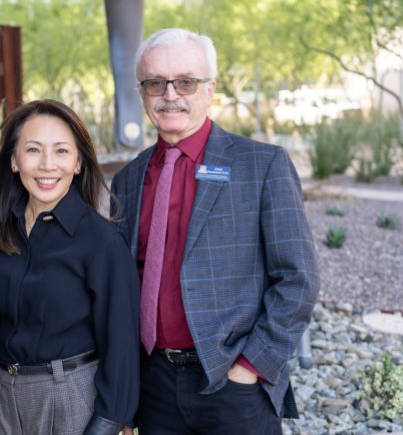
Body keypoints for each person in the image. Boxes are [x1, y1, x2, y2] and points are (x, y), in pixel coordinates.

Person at [110, 28, 320, 434]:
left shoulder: (262, 166)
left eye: (185, 81)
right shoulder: (128, 180)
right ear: (142, 92)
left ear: (210, 89)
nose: (170, 94)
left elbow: (298, 278)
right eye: (156, 82)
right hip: (153, 388)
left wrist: (252, 365)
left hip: (232, 385)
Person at [0, 99, 140, 435]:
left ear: (78, 163)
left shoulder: (101, 242)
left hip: (70, 398)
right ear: (14, 160)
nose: (47, 165)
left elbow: (121, 344)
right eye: (33, 150)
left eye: (61, 151)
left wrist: (109, 422)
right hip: (1, 397)